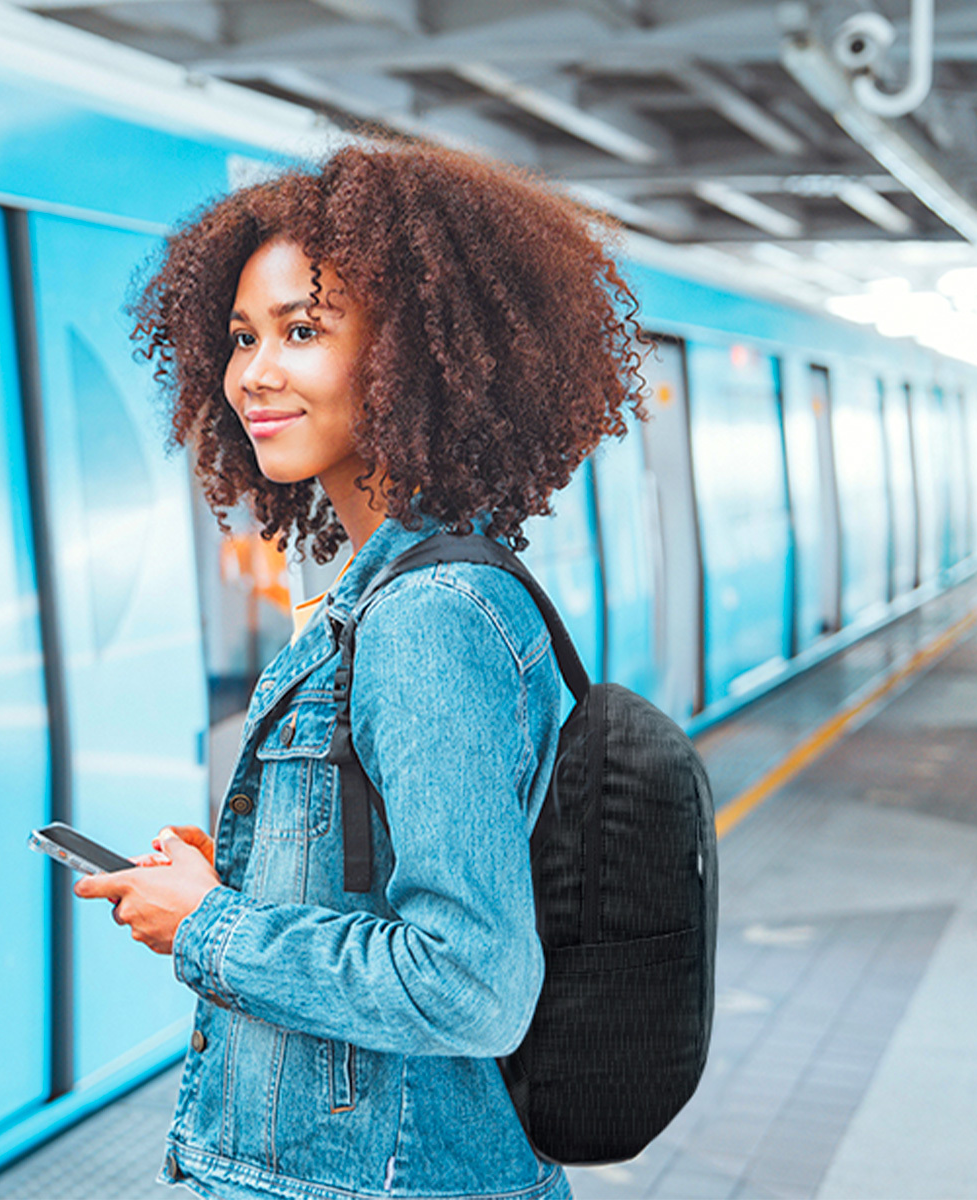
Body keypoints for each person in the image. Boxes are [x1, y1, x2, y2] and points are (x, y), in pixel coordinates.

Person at [73, 142, 645, 1200]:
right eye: (241, 337)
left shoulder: (427, 617)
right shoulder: (398, 593)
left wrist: (207, 925)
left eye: (302, 331)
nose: (253, 373)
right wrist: (249, 877)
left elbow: (471, 985)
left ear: (410, 357)